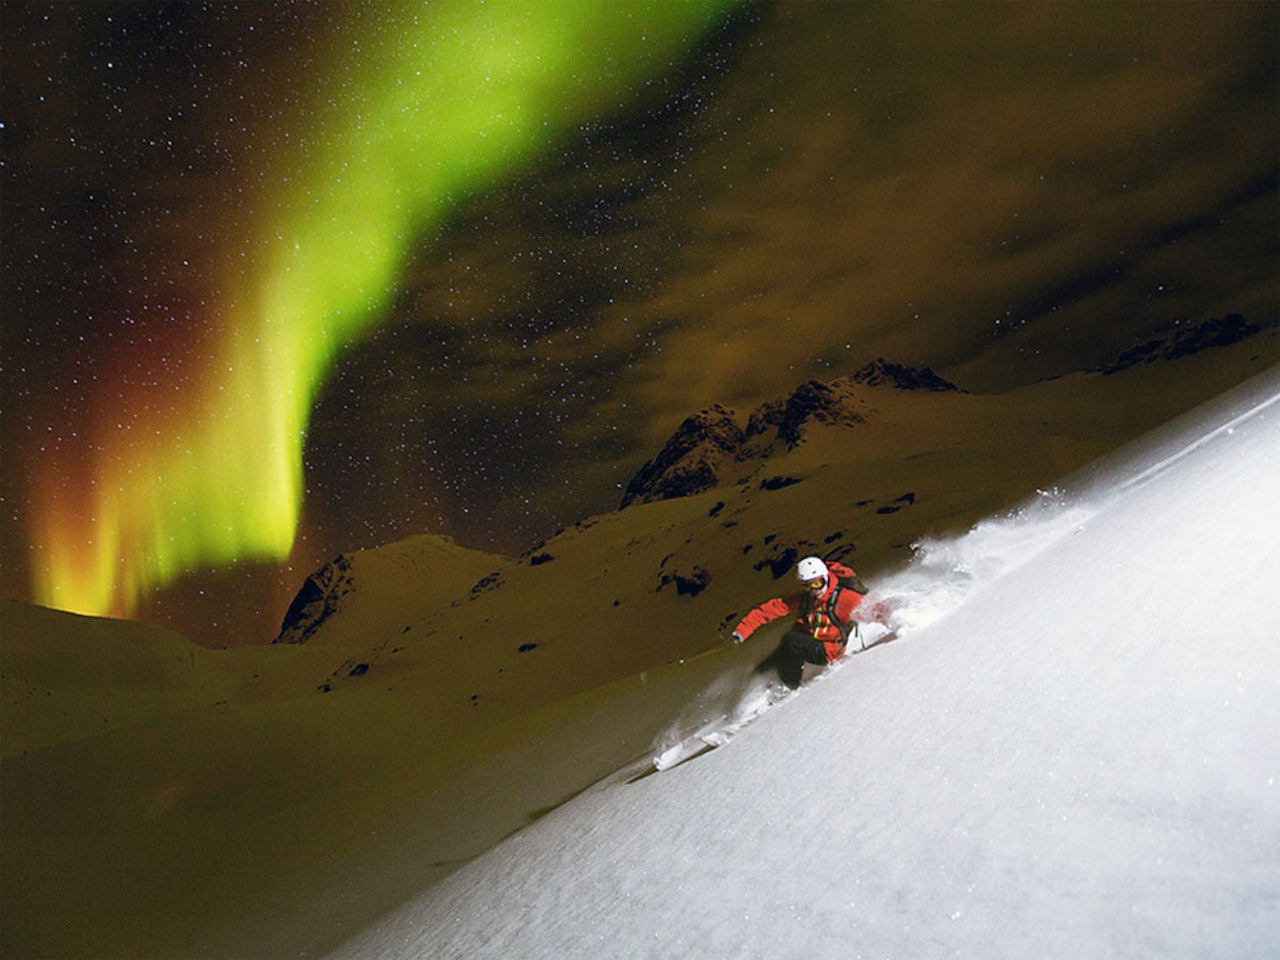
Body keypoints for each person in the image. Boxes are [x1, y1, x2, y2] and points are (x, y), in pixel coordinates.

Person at [729, 555, 872, 690]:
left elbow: (872, 608)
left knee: (791, 640)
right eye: (807, 586)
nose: (814, 590)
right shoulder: (806, 599)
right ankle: (760, 685)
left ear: (826, 577)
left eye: (817, 583)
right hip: (811, 640)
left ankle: (790, 688)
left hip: (829, 649)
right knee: (771, 661)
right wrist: (741, 632)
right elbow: (768, 610)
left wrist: (893, 616)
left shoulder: (844, 598)